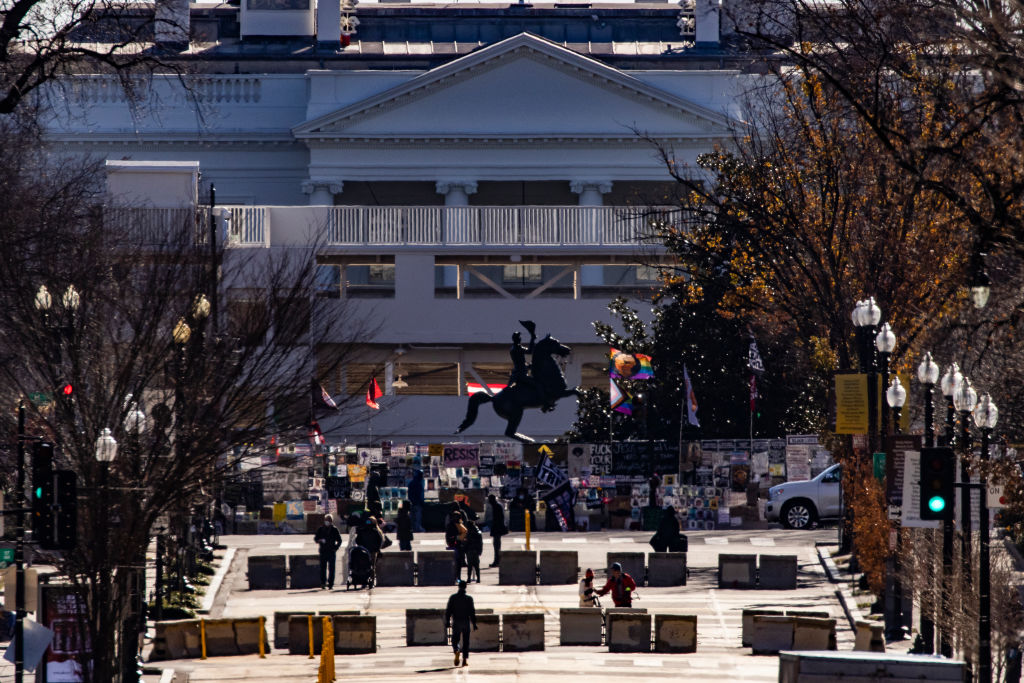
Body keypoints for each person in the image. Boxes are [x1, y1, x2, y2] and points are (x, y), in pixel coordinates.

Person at [444, 580, 478, 668]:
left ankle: (456, 650)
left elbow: (448, 611)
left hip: (456, 621)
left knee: (455, 639)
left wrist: (447, 621)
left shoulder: (453, 598)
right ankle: (464, 660)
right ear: (465, 587)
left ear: (458, 587)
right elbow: (472, 612)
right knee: (466, 641)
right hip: (466, 622)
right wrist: (474, 623)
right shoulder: (469, 599)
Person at [313, 514, 343, 590]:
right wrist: (320, 540)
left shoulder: (334, 529)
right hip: (323, 551)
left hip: (331, 551)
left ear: (331, 521)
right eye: (326, 520)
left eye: (329, 520)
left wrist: (336, 548)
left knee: (332, 568)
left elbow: (339, 540)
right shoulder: (321, 529)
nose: (327, 522)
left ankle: (330, 584)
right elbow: (316, 538)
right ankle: (323, 583)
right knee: (323, 568)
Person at [445, 509, 468, 574]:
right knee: (456, 562)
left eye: (457, 517)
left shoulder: (460, 524)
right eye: (455, 516)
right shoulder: (451, 525)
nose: (456, 518)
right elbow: (450, 537)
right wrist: (456, 538)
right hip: (454, 544)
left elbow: (465, 532)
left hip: (460, 544)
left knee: (459, 563)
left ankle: (458, 575)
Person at [487, 494, 507, 567]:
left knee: (496, 546)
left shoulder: (496, 506)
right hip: (497, 528)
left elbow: (498, 519)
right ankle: (497, 561)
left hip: (497, 528)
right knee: (496, 546)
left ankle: (497, 561)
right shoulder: (497, 505)